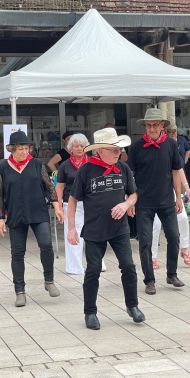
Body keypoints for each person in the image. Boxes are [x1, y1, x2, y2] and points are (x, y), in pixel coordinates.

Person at [67, 128, 144, 330]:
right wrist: (72, 229)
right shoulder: (86, 170)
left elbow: (134, 194)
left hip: (120, 229)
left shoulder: (123, 168)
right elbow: (73, 199)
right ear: (100, 150)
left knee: (128, 266)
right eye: (113, 149)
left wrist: (126, 204)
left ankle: (132, 306)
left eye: (119, 149)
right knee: (93, 270)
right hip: (94, 230)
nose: (118, 152)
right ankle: (90, 312)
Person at [0, 130, 64, 308]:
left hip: (38, 212)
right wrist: (0, 218)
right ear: (12, 150)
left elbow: (49, 187)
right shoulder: (2, 168)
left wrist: (57, 207)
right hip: (16, 215)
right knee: (17, 253)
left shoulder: (36, 165)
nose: (24, 152)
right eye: (20, 149)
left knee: (46, 245)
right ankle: (20, 291)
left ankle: (49, 280)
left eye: (26, 148)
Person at [128, 108, 185, 295]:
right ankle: (149, 280)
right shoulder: (136, 147)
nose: (151, 128)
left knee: (174, 237)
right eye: (148, 125)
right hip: (143, 202)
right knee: (145, 241)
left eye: (155, 125)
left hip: (167, 200)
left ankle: (171, 274)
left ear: (162, 126)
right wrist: (129, 200)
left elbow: (176, 171)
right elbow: (130, 176)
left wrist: (179, 197)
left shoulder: (170, 145)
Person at [56, 133, 106, 275]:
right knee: (72, 233)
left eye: (82, 146)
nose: (79, 148)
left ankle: (98, 263)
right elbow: (59, 187)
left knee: (95, 234)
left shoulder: (93, 162)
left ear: (86, 148)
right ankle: (74, 267)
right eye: (76, 146)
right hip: (70, 204)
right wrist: (58, 207)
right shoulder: (65, 165)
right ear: (71, 148)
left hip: (92, 204)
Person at [151, 123, 190, 268]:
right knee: (156, 224)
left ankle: (185, 249)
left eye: (175, 133)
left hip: (171, 191)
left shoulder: (173, 146)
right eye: (171, 134)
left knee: (182, 218)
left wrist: (186, 188)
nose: (174, 136)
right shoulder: (157, 147)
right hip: (154, 192)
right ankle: (153, 257)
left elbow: (179, 169)